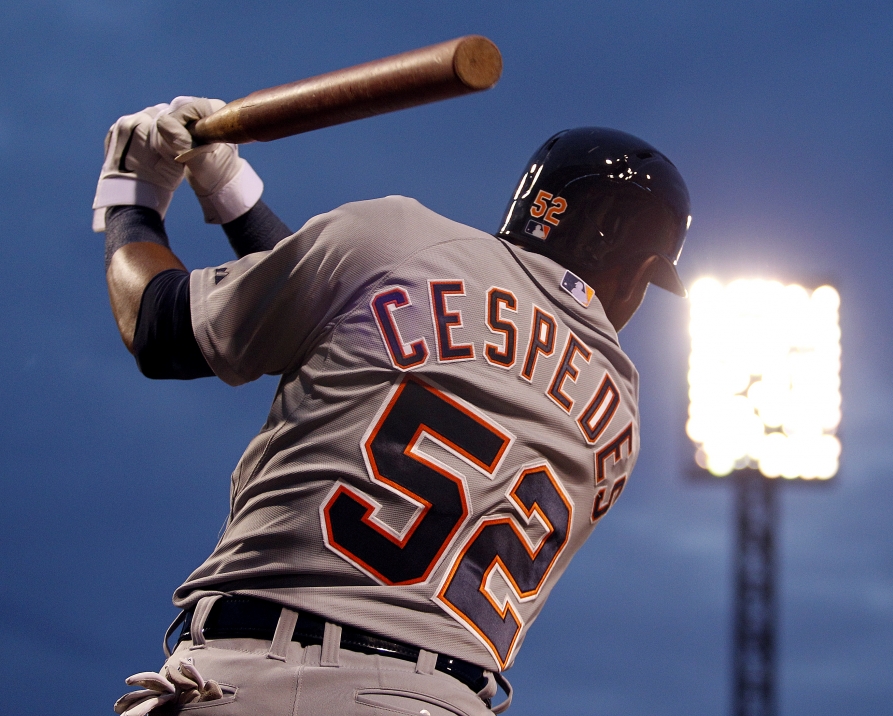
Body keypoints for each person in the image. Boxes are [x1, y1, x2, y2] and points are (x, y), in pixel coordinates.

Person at [94, 97, 691, 716]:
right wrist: (229, 193)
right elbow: (345, 323)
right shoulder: (619, 415)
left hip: (258, 675)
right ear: (641, 268)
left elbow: (161, 329)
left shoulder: (398, 238)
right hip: (442, 701)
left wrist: (132, 191)